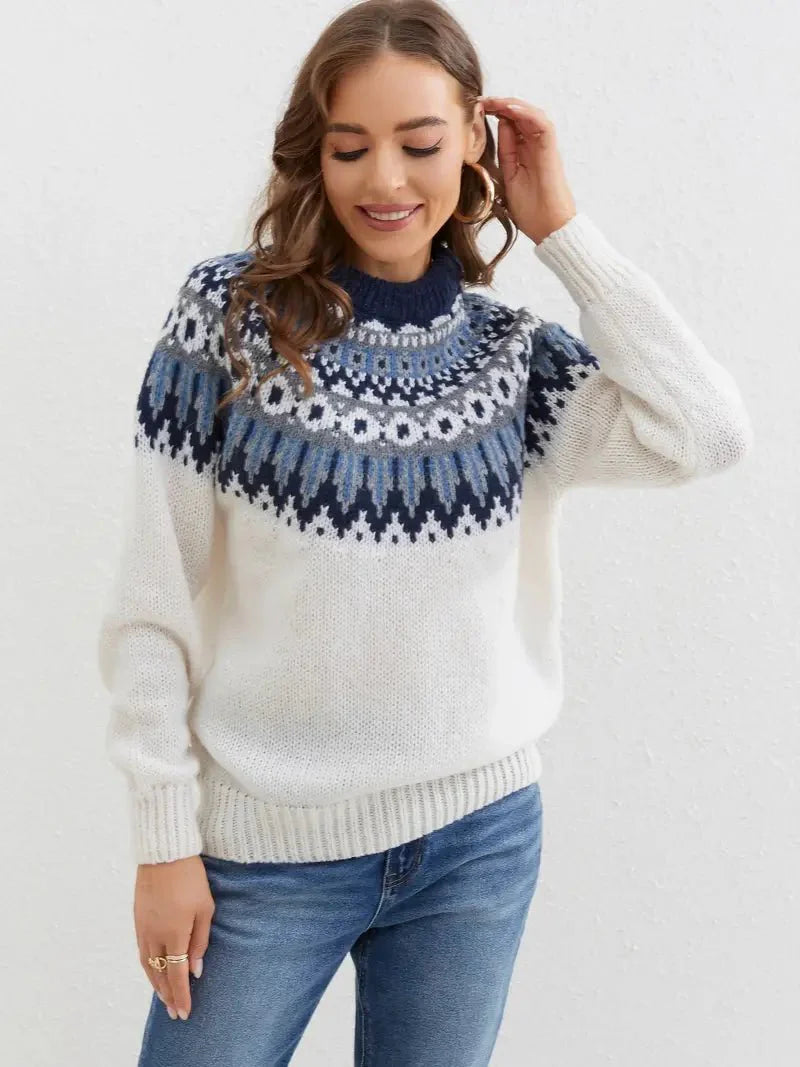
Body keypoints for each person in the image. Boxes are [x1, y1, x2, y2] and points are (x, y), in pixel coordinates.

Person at [96, 1, 753, 1063]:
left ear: (474, 146)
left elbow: (706, 432)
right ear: (313, 155)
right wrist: (163, 841)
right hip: (267, 851)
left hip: (475, 846)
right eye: (350, 147)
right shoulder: (230, 320)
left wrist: (562, 232)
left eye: (420, 143)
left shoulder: (512, 358)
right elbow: (149, 601)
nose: (386, 180)